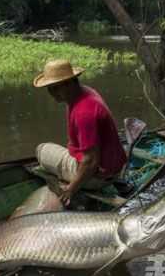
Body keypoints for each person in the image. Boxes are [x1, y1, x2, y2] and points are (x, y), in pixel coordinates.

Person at [33, 59, 127, 205]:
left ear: (69, 83)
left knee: (41, 150)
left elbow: (90, 161)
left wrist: (71, 189)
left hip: (97, 177)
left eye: (55, 88)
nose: (51, 93)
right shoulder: (86, 91)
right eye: (49, 88)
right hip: (113, 168)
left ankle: (80, 181)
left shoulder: (84, 113)